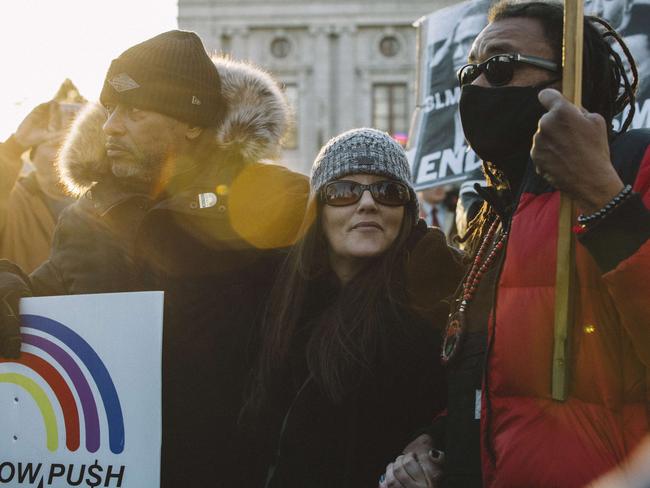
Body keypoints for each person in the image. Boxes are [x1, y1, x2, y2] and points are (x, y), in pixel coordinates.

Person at [0, 31, 309, 486]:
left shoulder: (270, 208)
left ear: (189, 122)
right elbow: (39, 295)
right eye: (110, 111)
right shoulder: (89, 217)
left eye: (134, 111)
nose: (110, 127)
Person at [382, 1, 650, 487]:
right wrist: (440, 434)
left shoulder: (635, 167)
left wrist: (604, 198)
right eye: (471, 73)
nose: (479, 87)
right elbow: (501, 380)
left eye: (502, 68)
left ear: (569, 82)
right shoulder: (495, 212)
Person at [242, 128, 464, 488]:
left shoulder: (439, 303)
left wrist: (436, 440)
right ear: (319, 210)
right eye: (343, 191)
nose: (367, 203)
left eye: (387, 191)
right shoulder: (277, 297)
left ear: (406, 210)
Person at [0, 101, 77, 272]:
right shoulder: (11, 198)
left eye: (73, 146)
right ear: (34, 156)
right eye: (56, 145)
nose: (65, 154)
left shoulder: (101, 206)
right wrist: (15, 145)